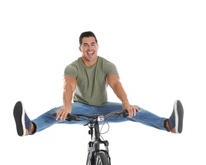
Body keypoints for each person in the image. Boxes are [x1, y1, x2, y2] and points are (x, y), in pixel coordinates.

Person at [13, 31, 184, 137]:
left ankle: (169, 125)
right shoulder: (72, 67)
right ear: (80, 48)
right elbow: (69, 87)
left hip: (104, 107)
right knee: (55, 113)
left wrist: (126, 104)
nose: (89, 47)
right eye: (85, 44)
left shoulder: (107, 65)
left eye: (92, 44)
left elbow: (116, 84)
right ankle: (30, 128)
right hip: (81, 108)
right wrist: (67, 106)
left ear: (97, 46)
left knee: (135, 110)